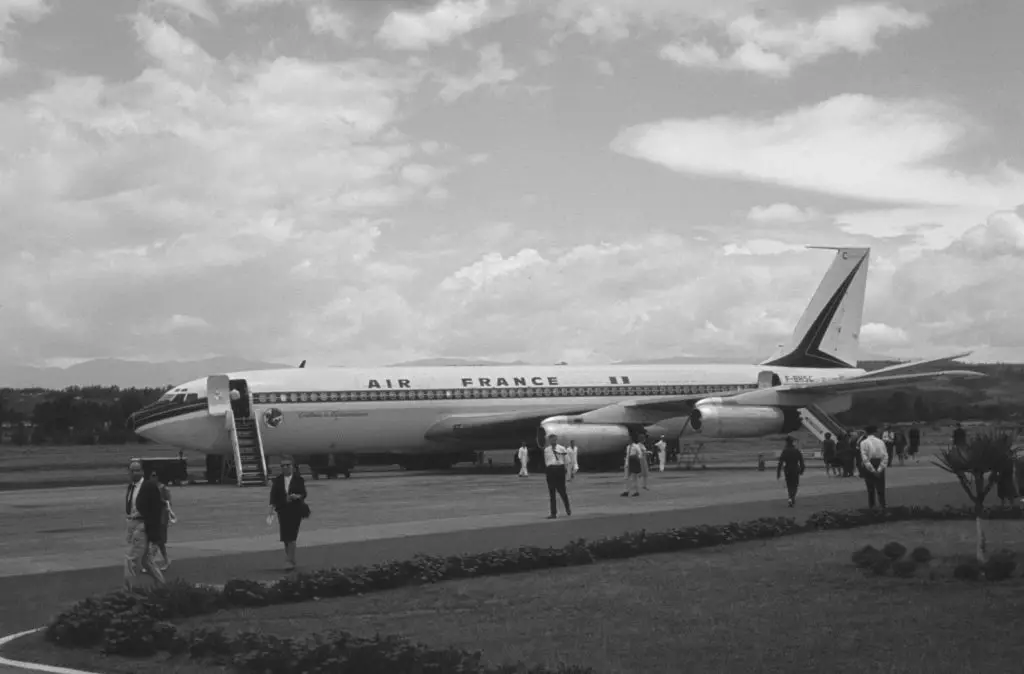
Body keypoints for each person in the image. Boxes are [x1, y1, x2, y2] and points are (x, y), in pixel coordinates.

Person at [123, 460, 166, 591]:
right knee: (146, 561)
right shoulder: (131, 487)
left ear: (142, 471)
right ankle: (163, 586)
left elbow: (156, 509)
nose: (135, 473)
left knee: (131, 558)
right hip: (132, 523)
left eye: (137, 470)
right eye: (132, 470)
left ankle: (129, 589)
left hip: (142, 524)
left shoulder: (149, 486)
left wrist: (152, 530)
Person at [268, 455, 308, 570]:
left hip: (295, 510)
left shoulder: (298, 479)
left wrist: (297, 496)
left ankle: (289, 560)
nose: (285, 467)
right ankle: (291, 558)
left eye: (287, 465)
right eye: (283, 466)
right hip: (282, 510)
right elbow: (273, 496)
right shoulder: (278, 480)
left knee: (291, 536)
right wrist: (271, 508)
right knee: (285, 537)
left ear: (293, 467)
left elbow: (304, 493)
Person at [859, 426, 888, 509]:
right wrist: (879, 469)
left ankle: (872, 507)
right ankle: (882, 506)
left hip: (869, 463)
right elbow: (885, 456)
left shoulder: (863, 442)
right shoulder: (881, 442)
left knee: (870, 488)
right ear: (875, 432)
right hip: (879, 462)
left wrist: (872, 470)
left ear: (866, 433)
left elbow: (865, 458)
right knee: (881, 488)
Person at [543, 434, 571, 519]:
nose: (553, 441)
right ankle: (553, 513)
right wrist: (548, 470)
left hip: (559, 469)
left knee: (562, 491)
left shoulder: (561, 448)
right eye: (551, 440)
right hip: (551, 470)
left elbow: (567, 460)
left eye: (554, 439)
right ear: (549, 440)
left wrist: (567, 471)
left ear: (556, 439)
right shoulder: (546, 450)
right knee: (552, 492)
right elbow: (546, 461)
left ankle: (567, 508)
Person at [149, 475, 173, 571]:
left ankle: (149, 561)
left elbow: (168, 503)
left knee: (157, 540)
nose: (152, 479)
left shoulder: (164, 489)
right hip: (155, 518)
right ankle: (166, 560)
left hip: (162, 518)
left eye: (154, 476)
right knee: (160, 543)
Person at [777, 436, 805, 507]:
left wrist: (778, 473)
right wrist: (802, 470)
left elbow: (780, 462)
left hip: (787, 469)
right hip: (795, 469)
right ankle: (792, 498)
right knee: (795, 485)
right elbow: (801, 462)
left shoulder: (785, 451)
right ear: (792, 442)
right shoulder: (796, 450)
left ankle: (790, 497)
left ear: (786, 442)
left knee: (789, 485)